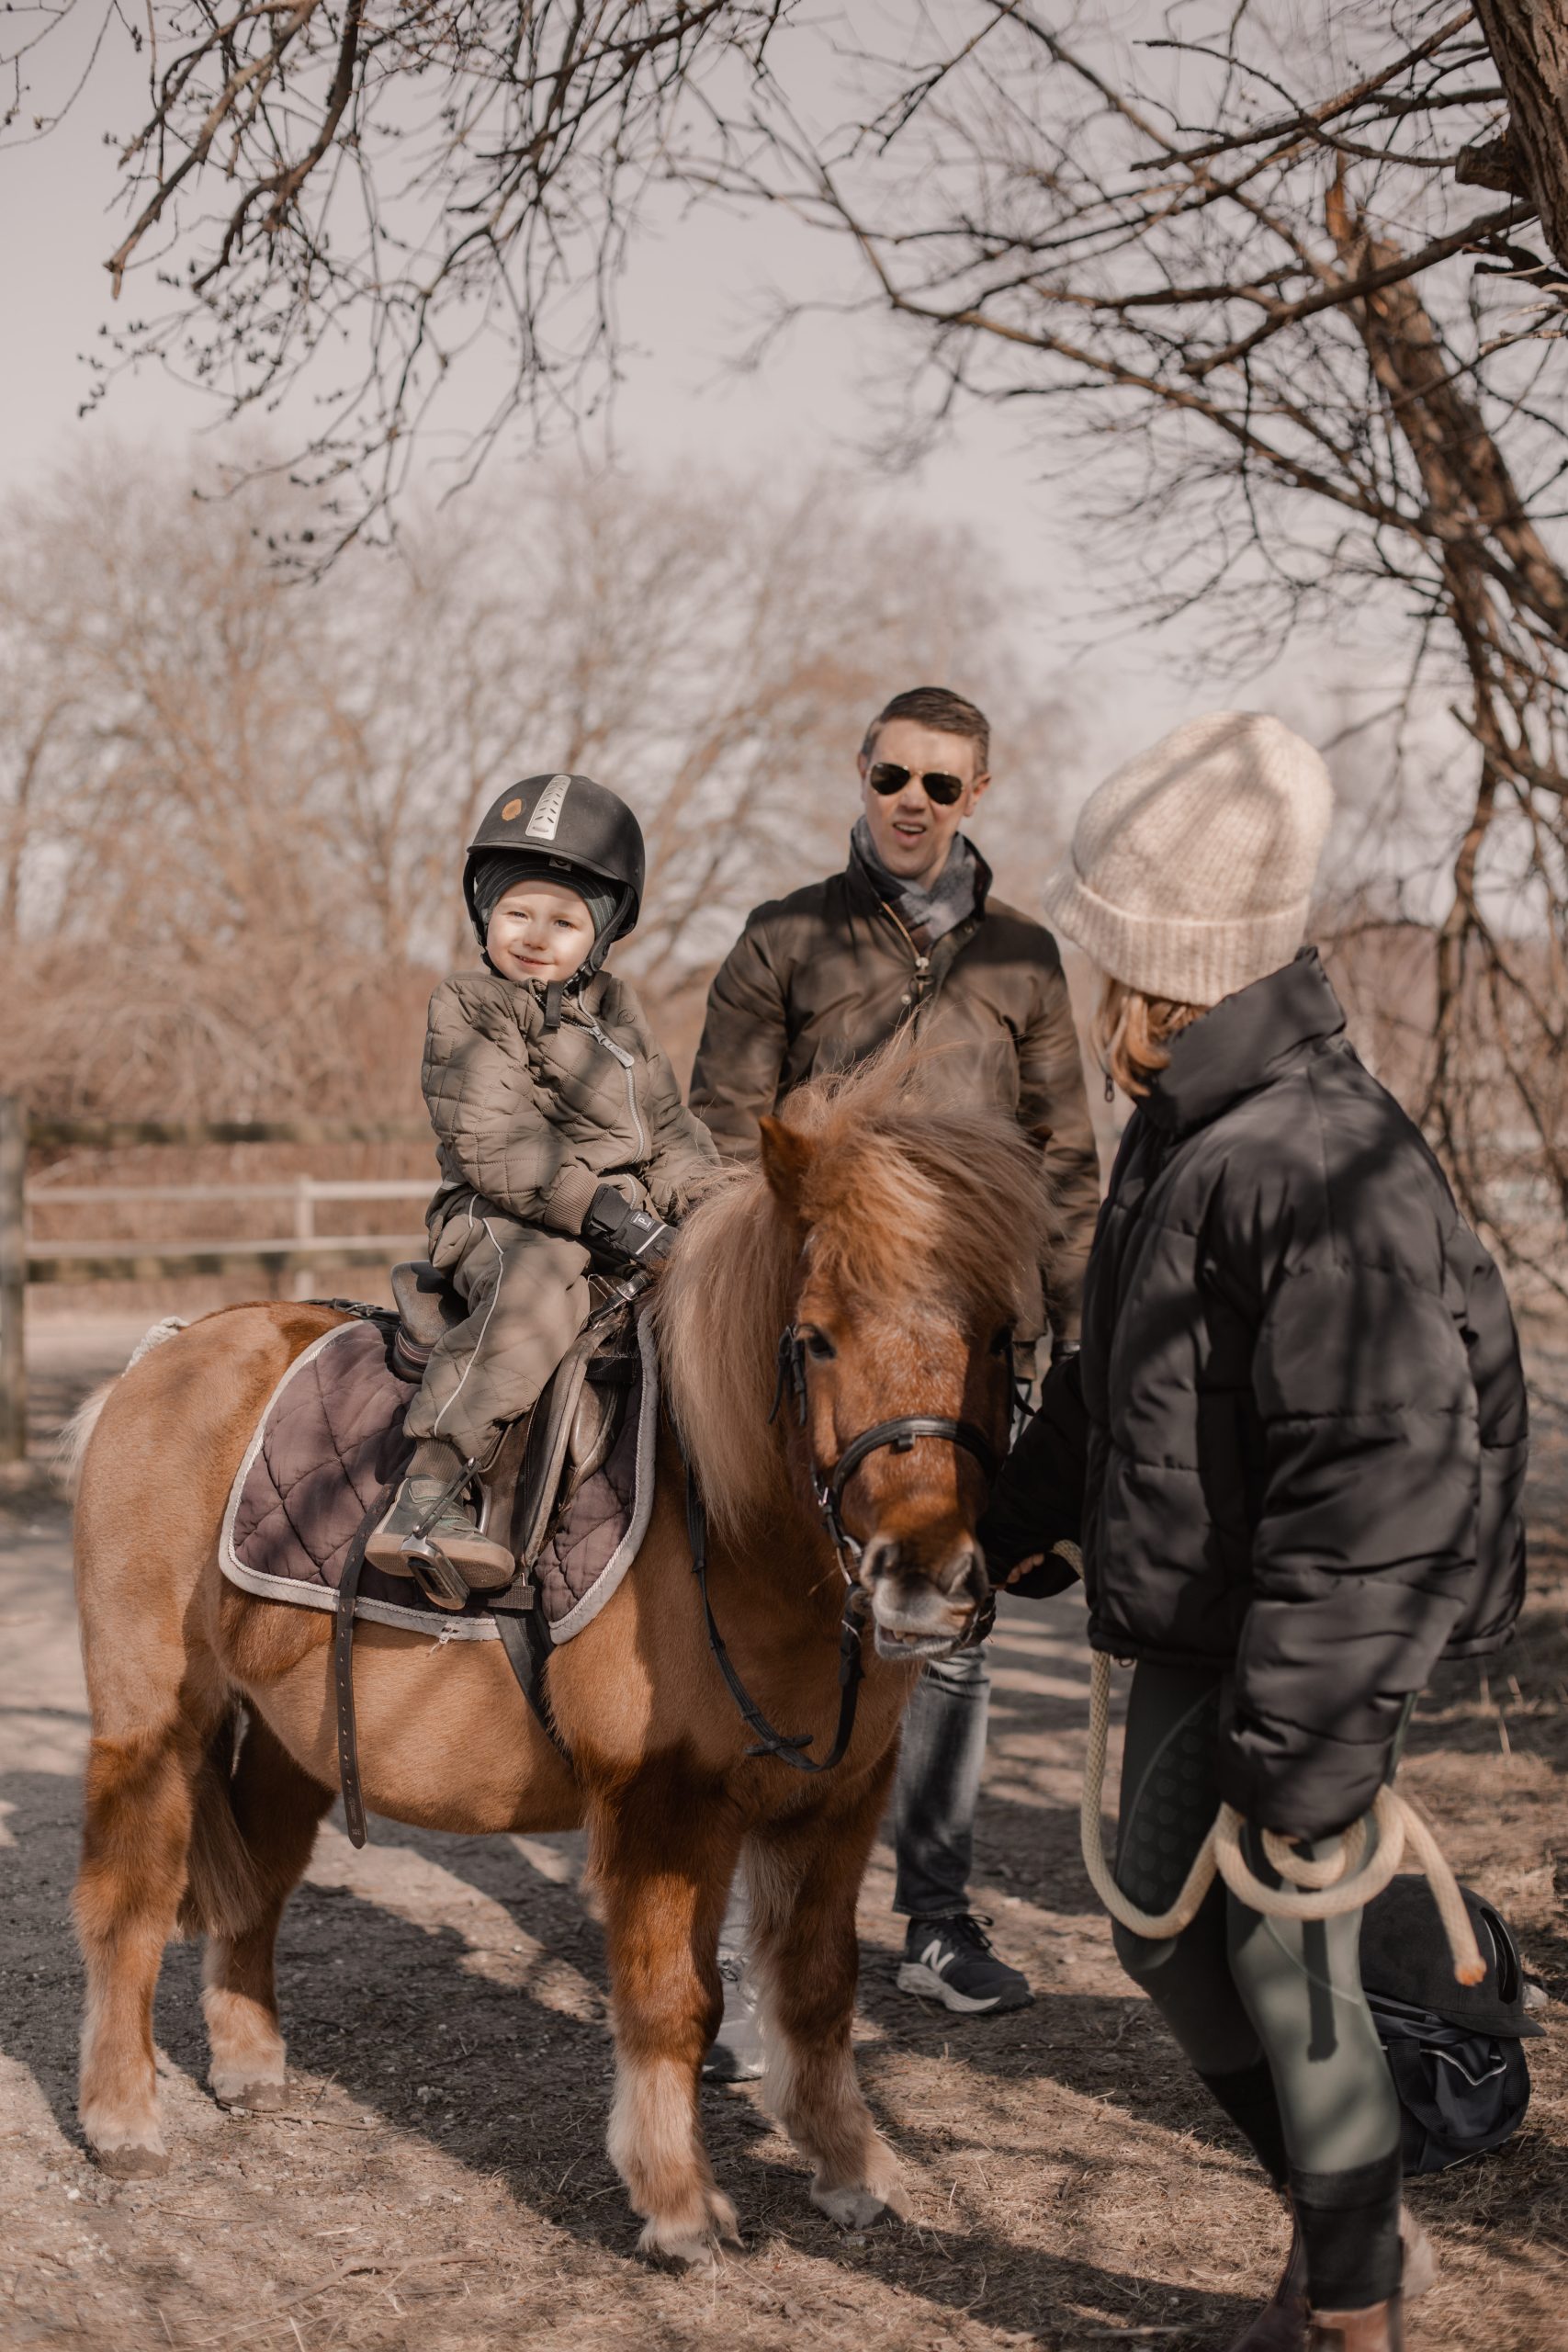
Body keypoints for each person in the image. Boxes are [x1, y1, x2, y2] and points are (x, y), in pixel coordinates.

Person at [983, 712, 1529, 2352]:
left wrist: (1301, 1735)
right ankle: (1341, 2233)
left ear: (1152, 963)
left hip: (1294, 1633)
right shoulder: (1186, 1121)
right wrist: (1017, 1515)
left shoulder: (1311, 1159)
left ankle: (1349, 2309)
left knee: (1288, 1961)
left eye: (1097, 944)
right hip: (1199, 1612)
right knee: (1158, 1925)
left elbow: (1384, 1473)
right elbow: (1122, 1358)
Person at [690, 686, 1101, 2036]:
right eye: (893, 776)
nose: (913, 801)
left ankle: (933, 1919)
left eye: (942, 783)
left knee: (949, 1626)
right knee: (785, 1618)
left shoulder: (1025, 960)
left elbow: (1064, 1163)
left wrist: (1086, 1339)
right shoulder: (784, 938)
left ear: (976, 797)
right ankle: (758, 1951)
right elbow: (718, 1139)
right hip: (834, 1338)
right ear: (860, 776)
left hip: (968, 1342)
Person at [365, 772, 717, 1586]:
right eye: (515, 912)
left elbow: (670, 1133)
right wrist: (609, 1219)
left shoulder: (620, 1018)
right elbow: (496, 1140)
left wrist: (708, 1211)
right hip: (504, 1217)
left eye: (563, 922)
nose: (534, 934)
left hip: (619, 1226)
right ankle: (433, 1485)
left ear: (597, 938)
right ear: (484, 914)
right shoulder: (469, 1004)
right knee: (540, 1285)